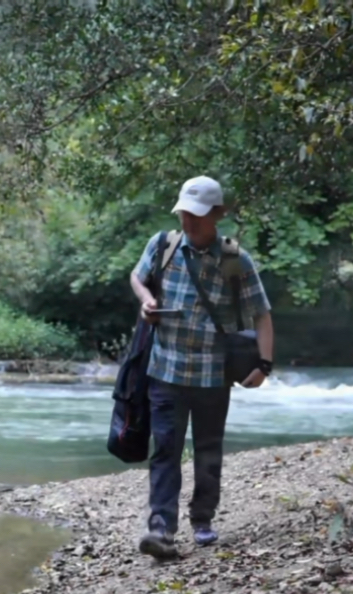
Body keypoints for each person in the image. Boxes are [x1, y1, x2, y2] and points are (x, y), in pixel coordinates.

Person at [129, 175, 274, 559]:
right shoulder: (163, 245)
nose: (188, 222)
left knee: (208, 450)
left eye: (196, 216)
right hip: (165, 370)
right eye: (184, 214)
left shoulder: (234, 260)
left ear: (217, 214)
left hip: (213, 375)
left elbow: (262, 313)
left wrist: (265, 365)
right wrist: (146, 301)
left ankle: (203, 518)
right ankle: (161, 528)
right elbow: (137, 277)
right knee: (165, 450)